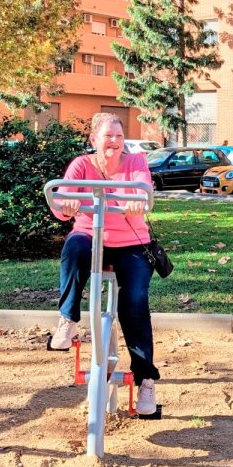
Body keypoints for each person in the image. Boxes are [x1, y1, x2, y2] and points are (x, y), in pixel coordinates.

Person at [48, 112, 160, 415]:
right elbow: (62, 201)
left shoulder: (135, 162)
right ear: (94, 139)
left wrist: (137, 199)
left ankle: (146, 381)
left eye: (119, 136)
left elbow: (142, 185)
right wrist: (67, 204)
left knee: (134, 302)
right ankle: (67, 320)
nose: (114, 141)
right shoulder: (82, 165)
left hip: (131, 242)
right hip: (90, 235)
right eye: (108, 135)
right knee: (74, 248)